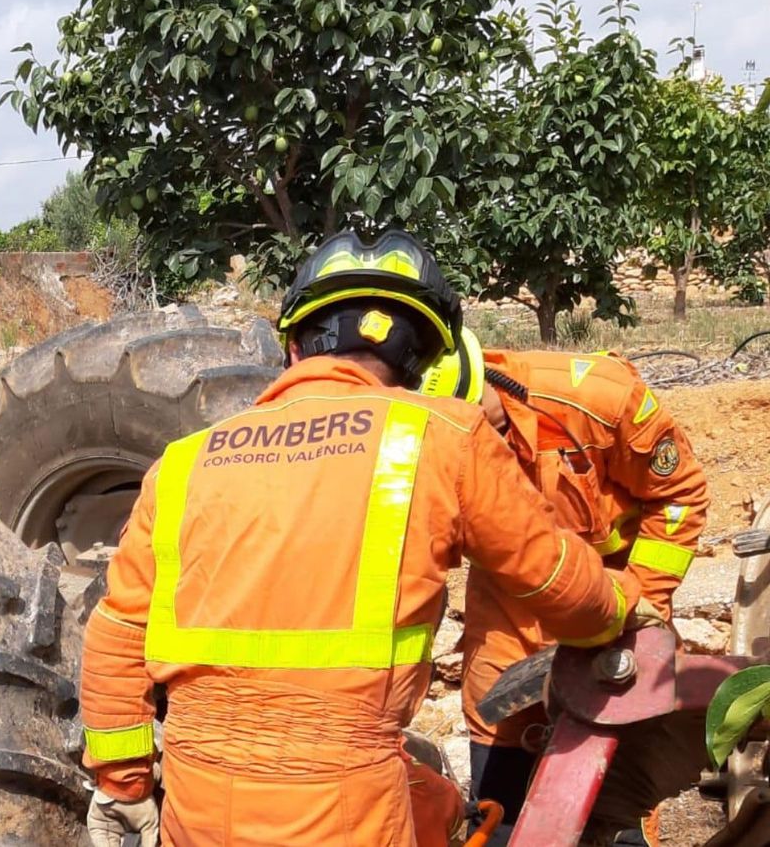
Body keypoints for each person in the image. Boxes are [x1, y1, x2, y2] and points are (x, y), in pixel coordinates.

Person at [78, 230, 652, 847]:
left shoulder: (184, 463)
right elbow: (554, 577)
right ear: (419, 362)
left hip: (199, 808)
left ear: (294, 346)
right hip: (348, 807)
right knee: (454, 816)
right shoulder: (440, 434)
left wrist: (122, 786)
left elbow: (117, 633)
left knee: (432, 796)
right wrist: (621, 606)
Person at [421, 330, 709, 845]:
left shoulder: (599, 398)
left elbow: (680, 495)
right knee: (499, 747)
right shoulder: (421, 443)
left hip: (617, 586)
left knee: (622, 746)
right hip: (510, 596)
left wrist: (642, 597)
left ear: (486, 379)